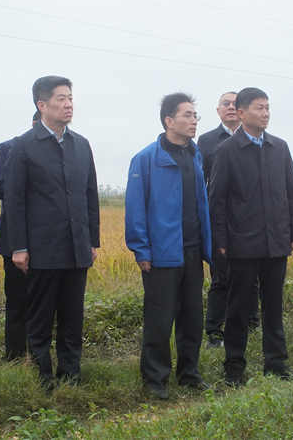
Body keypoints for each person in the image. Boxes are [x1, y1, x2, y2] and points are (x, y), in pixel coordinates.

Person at [5, 76, 100, 388]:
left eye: (70, 98)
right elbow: (15, 201)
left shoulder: (81, 145)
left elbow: (90, 196)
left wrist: (93, 241)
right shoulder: (23, 146)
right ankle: (42, 377)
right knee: (41, 316)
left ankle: (71, 375)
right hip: (42, 249)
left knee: (73, 316)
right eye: (61, 98)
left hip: (76, 247)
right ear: (42, 105)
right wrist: (19, 246)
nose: (68, 104)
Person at [209, 87, 293, 386]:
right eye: (259, 108)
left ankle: (276, 363)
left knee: (274, 306)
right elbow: (217, 200)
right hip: (242, 245)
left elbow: (292, 193)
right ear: (241, 112)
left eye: (267, 108)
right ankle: (234, 367)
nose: (265, 113)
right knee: (238, 308)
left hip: (276, 241)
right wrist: (220, 241)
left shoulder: (280, 148)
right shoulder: (227, 151)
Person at [125, 92, 212, 400]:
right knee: (159, 321)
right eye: (187, 115)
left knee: (192, 318)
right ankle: (155, 379)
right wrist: (142, 250)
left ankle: (189, 374)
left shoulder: (194, 155)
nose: (194, 121)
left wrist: (208, 248)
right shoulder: (146, 159)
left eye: (195, 116)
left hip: (192, 250)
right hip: (162, 254)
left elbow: (201, 204)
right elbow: (136, 208)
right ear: (169, 120)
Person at [198, 91, 260, 348]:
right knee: (220, 277)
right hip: (220, 219)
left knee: (252, 277)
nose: (231, 108)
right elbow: (201, 181)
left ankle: (252, 325)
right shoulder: (206, 141)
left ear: (243, 109)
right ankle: (215, 331)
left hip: (251, 220)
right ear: (218, 110)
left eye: (235, 104)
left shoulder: (256, 138)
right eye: (226, 104)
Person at [0, 111, 40, 360]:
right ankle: (14, 355)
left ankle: (39, 353)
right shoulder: (8, 148)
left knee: (43, 301)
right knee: (16, 300)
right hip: (13, 237)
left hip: (46, 238)